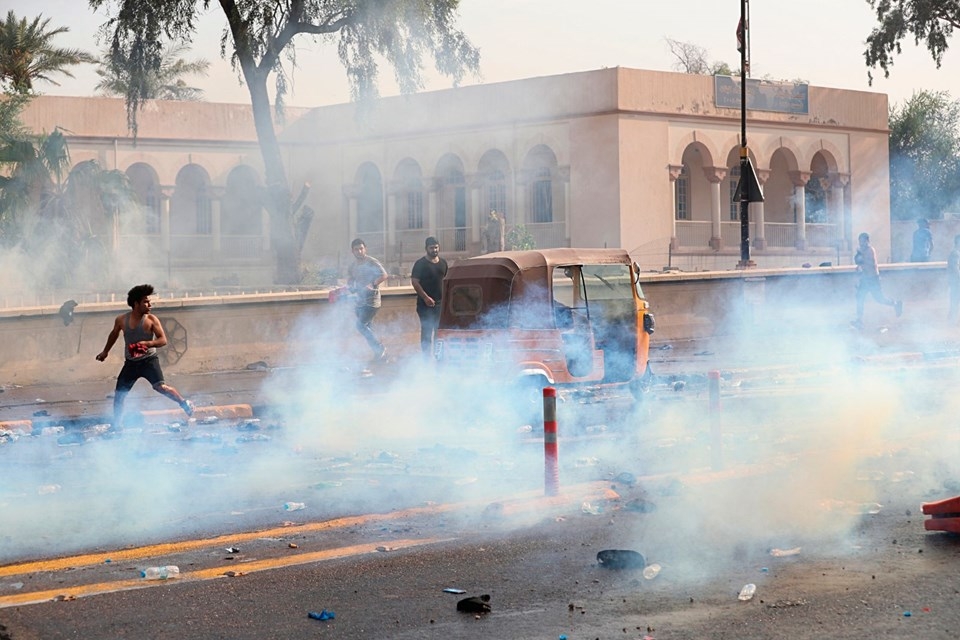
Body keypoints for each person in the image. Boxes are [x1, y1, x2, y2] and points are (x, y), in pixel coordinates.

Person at [96, 284, 193, 430]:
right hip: (131, 363)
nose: (150, 304)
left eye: (149, 301)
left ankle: (184, 403)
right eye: (145, 302)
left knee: (160, 387)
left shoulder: (152, 320)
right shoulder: (121, 320)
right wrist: (105, 352)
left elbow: (163, 340)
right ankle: (117, 425)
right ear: (136, 304)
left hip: (149, 361)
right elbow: (113, 334)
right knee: (119, 395)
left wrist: (147, 343)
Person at [347, 238, 389, 360]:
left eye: (361, 248)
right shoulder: (353, 266)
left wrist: (372, 284)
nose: (359, 251)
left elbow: (384, 275)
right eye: (356, 249)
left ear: (365, 249)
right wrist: (350, 286)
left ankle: (379, 347)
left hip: (372, 301)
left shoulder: (372, 262)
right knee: (368, 328)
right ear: (352, 251)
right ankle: (379, 354)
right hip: (359, 300)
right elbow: (351, 278)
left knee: (360, 325)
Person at [852, 232, 902, 329]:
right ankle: (859, 320)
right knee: (859, 297)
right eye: (860, 241)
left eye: (863, 241)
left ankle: (896, 304)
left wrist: (860, 258)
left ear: (868, 241)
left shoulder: (870, 250)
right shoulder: (862, 251)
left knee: (879, 299)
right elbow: (860, 264)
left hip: (873, 279)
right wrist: (858, 267)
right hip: (865, 279)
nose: (861, 243)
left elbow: (869, 264)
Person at [410, 236, 448, 356]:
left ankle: (438, 357)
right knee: (427, 332)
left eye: (436, 247)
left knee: (439, 332)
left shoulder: (443, 263)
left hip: (440, 305)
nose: (434, 250)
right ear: (426, 248)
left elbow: (447, 281)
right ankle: (426, 358)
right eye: (431, 248)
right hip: (424, 305)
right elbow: (415, 282)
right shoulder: (420, 264)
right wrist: (425, 297)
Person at [948, 234, 960, 323]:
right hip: (956, 281)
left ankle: (952, 318)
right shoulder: (955, 253)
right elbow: (955, 268)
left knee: (955, 300)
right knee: (955, 300)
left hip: (955, 281)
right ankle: (952, 319)